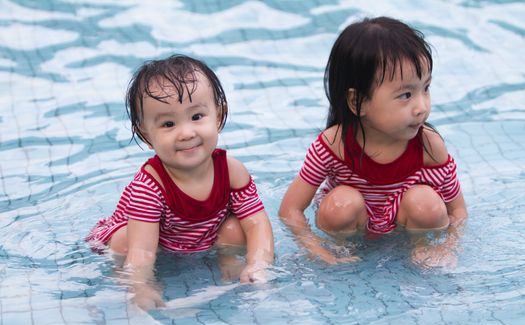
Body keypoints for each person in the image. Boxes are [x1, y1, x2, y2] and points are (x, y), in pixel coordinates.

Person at [87, 54, 274, 309]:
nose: (186, 133)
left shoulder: (232, 171)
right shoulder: (150, 188)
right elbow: (142, 252)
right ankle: (122, 277)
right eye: (168, 123)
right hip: (150, 241)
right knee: (125, 242)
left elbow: (258, 224)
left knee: (236, 230)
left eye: (197, 116)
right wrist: (140, 286)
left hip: (200, 238)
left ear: (219, 115)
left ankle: (227, 262)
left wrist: (258, 264)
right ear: (146, 135)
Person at [279, 17, 467, 267]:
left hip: (406, 228)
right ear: (358, 102)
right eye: (406, 95)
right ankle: (343, 251)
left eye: (426, 88)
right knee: (341, 204)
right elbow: (290, 210)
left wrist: (447, 247)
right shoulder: (335, 145)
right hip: (352, 227)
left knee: (427, 203)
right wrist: (316, 249)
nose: (422, 107)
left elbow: (458, 211)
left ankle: (420, 251)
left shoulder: (429, 147)